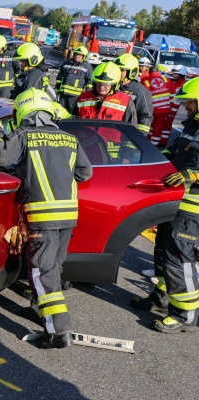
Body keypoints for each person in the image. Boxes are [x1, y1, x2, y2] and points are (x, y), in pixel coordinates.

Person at [0, 88, 93, 348]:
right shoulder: (69, 138)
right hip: (69, 215)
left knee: (41, 272)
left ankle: (58, 330)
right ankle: (39, 309)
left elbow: (0, 157)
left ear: (22, 110)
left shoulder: (24, 134)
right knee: (53, 268)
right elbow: (85, 173)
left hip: (43, 216)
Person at [131, 78, 199, 333]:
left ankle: (186, 314)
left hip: (193, 209)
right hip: (174, 202)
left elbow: (192, 169)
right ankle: (161, 298)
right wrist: (152, 157)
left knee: (180, 258)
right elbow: (175, 153)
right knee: (162, 252)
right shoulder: (192, 126)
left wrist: (192, 175)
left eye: (190, 102)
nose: (186, 106)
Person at [73, 62, 138, 161]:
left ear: (114, 84)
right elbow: (73, 124)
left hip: (113, 157)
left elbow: (132, 133)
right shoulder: (83, 98)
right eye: (98, 83)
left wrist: (127, 158)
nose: (101, 87)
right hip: (84, 152)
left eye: (106, 84)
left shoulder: (125, 101)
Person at [114, 53, 154, 135]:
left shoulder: (141, 92)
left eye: (121, 70)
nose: (117, 72)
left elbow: (145, 117)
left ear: (131, 72)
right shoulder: (112, 87)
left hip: (126, 134)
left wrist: (137, 139)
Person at [140, 67, 176, 146]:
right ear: (158, 72)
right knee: (158, 127)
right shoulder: (167, 80)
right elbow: (173, 95)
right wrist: (169, 105)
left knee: (149, 126)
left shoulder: (146, 82)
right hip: (164, 109)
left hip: (152, 109)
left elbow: (143, 97)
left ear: (149, 72)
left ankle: (147, 142)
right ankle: (154, 144)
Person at [55, 45, 93, 113]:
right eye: (76, 54)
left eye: (80, 55)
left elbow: (89, 82)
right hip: (63, 94)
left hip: (75, 96)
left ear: (84, 56)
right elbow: (59, 77)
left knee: (71, 112)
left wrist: (87, 95)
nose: (77, 57)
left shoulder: (87, 67)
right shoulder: (66, 64)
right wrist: (57, 89)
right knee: (59, 111)